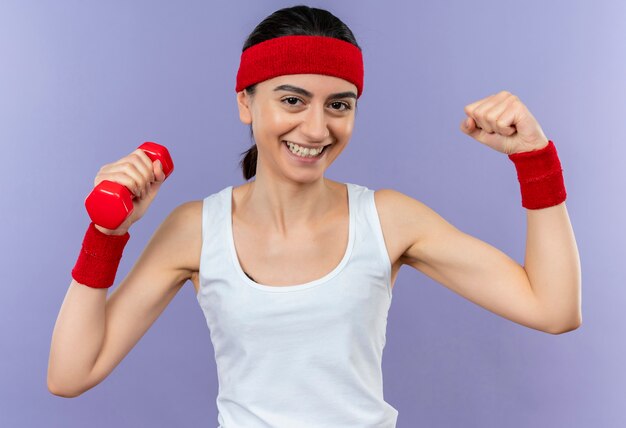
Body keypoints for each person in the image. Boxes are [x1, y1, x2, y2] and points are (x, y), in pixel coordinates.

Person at [47, 4, 582, 427]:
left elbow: (552, 309)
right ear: (246, 103)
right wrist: (106, 233)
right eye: (293, 100)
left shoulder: (390, 220)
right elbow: (71, 374)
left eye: (339, 105)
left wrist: (535, 159)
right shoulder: (195, 229)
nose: (316, 129)